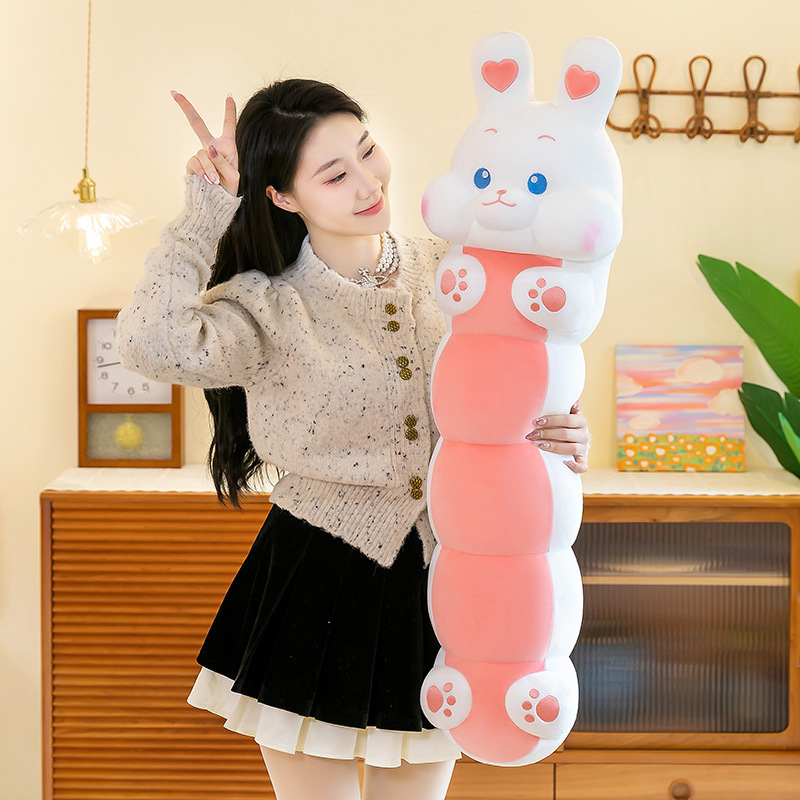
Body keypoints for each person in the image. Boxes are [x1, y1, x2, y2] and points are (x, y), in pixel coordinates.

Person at [117, 79, 591, 800]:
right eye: (335, 175)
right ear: (282, 196)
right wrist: (203, 211)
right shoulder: (266, 307)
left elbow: (513, 393)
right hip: (317, 577)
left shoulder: (458, 273)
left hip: (448, 582)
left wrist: (559, 437)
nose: (369, 184)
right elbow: (152, 343)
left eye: (368, 151)